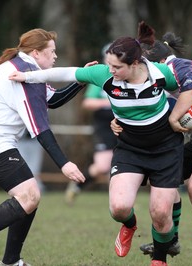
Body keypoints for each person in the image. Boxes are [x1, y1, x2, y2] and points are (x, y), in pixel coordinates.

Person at [9, 21, 190, 266]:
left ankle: (159, 260)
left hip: (166, 148)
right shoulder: (104, 74)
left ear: (135, 64)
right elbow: (64, 73)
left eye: (117, 67)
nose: (110, 70)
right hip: (130, 148)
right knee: (119, 208)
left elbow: (187, 90)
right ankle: (129, 225)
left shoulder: (159, 74)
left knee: (160, 213)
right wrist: (27, 76)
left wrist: (182, 116)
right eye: (109, 65)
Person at [0, 28, 86, 266]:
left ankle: (11, 261)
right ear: (36, 52)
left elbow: (53, 100)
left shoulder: (23, 68)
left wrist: (81, 80)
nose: (55, 57)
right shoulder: (25, 73)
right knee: (30, 195)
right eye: (52, 52)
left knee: (28, 195)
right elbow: (40, 129)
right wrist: (64, 164)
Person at [114, 31, 192, 266]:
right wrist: (119, 121)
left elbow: (188, 98)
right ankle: (171, 239)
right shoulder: (154, 77)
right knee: (163, 181)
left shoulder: (182, 66)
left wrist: (177, 119)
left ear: (159, 63)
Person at [65, 43, 117, 204]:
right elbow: (87, 103)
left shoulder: (129, 77)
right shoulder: (100, 79)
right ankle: (76, 186)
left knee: (120, 164)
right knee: (102, 166)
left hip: (124, 125)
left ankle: (121, 198)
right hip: (104, 126)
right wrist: (109, 103)